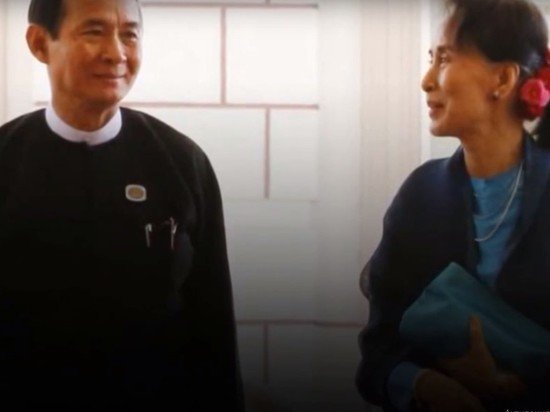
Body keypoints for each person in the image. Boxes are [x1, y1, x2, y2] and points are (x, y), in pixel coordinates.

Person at [0, 0, 244, 410]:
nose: (116, 53)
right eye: (94, 32)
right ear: (40, 43)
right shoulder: (7, 162)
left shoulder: (182, 164)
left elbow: (213, 327)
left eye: (129, 35)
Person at [356, 0, 550, 411]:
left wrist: (508, 391)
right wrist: (424, 384)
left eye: (444, 58)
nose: (427, 81)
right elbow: (376, 355)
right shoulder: (420, 195)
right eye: (431, 59)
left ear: (502, 78)